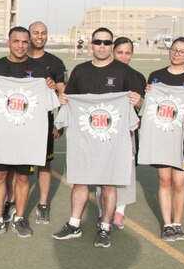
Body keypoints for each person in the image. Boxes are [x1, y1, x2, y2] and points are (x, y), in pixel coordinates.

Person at [53, 27, 143, 249]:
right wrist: (63, 104)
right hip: (84, 139)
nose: (102, 46)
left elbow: (139, 107)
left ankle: (105, 226)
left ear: (112, 45)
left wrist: (137, 101)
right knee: (80, 181)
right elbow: (69, 99)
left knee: (108, 184)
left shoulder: (124, 72)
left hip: (113, 140)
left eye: (106, 42)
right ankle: (74, 224)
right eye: (98, 42)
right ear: (91, 44)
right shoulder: (80, 71)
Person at [0, 26, 58, 239]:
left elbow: (51, 102)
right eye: (16, 41)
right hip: (2, 135)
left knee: (23, 179)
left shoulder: (40, 70)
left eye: (25, 42)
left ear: (29, 43)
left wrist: (50, 87)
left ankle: (19, 218)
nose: (21, 45)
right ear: (8, 43)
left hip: (27, 137)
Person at [145, 37, 184, 242]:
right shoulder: (155, 77)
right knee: (164, 180)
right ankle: (167, 224)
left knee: (179, 182)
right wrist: (148, 95)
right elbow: (149, 107)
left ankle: (178, 223)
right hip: (161, 134)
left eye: (182, 51)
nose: (177, 54)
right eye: (174, 50)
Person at [105, 36, 147, 229]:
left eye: (127, 53)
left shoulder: (137, 77)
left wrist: (138, 101)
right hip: (103, 131)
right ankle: (102, 211)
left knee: (125, 172)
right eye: (120, 52)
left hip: (126, 132)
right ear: (114, 52)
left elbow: (141, 107)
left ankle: (120, 211)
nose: (123, 57)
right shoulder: (101, 72)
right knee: (102, 172)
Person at [27, 21, 66, 225]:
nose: (40, 36)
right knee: (17, 164)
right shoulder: (19, 59)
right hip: (20, 122)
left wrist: (59, 122)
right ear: (29, 35)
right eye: (36, 33)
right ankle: (13, 202)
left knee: (44, 164)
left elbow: (63, 94)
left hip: (45, 120)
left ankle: (42, 204)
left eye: (43, 33)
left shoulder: (55, 63)